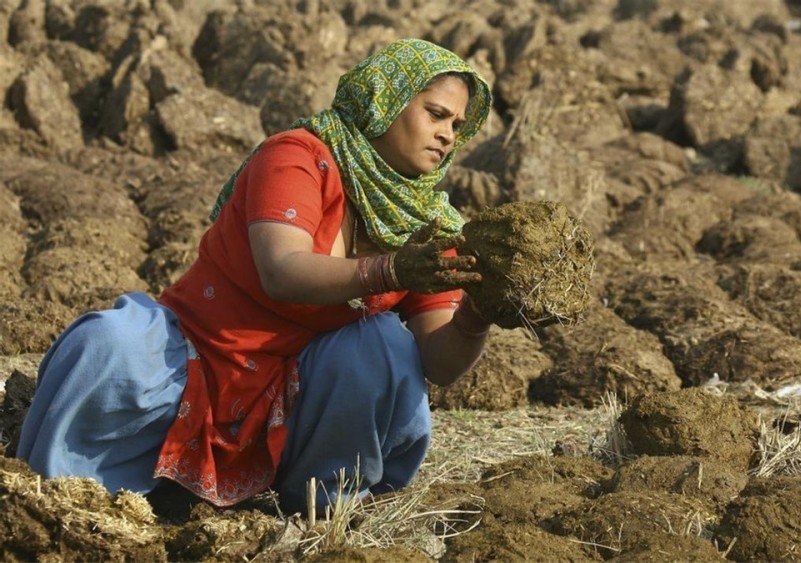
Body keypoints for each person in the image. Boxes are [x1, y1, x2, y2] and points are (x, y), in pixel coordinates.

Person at [16, 38, 494, 513]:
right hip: (197, 356)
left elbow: (440, 363)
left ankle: (326, 503)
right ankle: (58, 502)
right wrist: (391, 269)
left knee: (384, 346)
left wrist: (479, 313)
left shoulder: (432, 226)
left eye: (457, 124)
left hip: (301, 397)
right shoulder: (299, 156)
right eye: (435, 114)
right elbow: (282, 271)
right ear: (382, 100)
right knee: (108, 343)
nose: (448, 135)